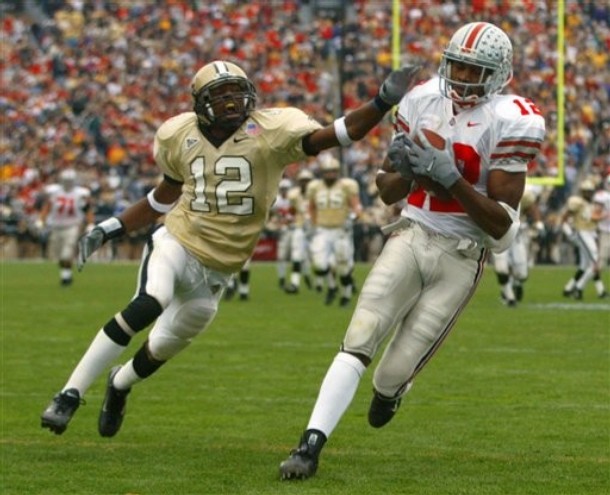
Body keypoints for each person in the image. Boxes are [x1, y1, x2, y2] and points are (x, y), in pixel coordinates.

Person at [40, 59, 421, 436]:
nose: (230, 102)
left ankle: (119, 384)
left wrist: (382, 101)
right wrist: (111, 227)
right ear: (200, 101)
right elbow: (162, 198)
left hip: (217, 273)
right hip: (178, 242)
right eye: (219, 94)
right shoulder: (178, 134)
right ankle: (68, 394)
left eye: (236, 92)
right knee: (150, 300)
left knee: (159, 349)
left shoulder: (271, 130)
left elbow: (338, 134)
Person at [279, 21, 546, 480]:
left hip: (462, 254)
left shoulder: (513, 117)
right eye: (456, 65)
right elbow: (386, 190)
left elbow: (501, 227)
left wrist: (452, 180)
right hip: (412, 232)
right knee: (359, 337)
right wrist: (407, 173)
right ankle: (309, 445)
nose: (461, 77)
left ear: (498, 74)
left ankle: (389, 393)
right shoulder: (422, 99)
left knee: (390, 374)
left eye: (473, 69)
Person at [307, 153, 362, 306]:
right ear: (322, 173)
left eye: (333, 171)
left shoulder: (346, 186)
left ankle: (345, 295)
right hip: (322, 230)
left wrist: (355, 215)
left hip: (340, 231)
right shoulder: (315, 187)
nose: (330, 174)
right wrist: (313, 224)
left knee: (343, 266)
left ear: (337, 172)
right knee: (320, 264)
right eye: (327, 171)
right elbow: (311, 208)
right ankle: (332, 287)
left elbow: (356, 205)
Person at [36, 168, 94, 286]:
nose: (68, 182)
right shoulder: (55, 192)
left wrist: (90, 223)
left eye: (70, 180)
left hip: (72, 226)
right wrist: (41, 220)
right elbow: (47, 207)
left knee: (66, 253)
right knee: (58, 255)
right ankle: (66, 274)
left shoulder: (80, 193)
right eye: (66, 180)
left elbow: (87, 209)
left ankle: (66, 278)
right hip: (55, 227)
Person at [491, 185, 545, 306]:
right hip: (498, 233)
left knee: (522, 274)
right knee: (501, 268)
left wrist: (539, 224)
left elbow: (532, 208)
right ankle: (509, 296)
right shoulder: (491, 190)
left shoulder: (523, 193)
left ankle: (517, 284)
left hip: (517, 234)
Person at [561, 178, 608, 299]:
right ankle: (579, 288)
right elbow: (565, 217)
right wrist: (569, 232)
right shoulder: (577, 202)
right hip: (582, 232)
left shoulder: (592, 203)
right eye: (586, 191)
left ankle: (569, 288)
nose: (588, 193)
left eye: (590, 191)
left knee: (585, 265)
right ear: (582, 191)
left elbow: (593, 219)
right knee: (595, 260)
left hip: (591, 233)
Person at [284, 168, 315, 294]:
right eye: (303, 181)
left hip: (315, 229)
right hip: (300, 227)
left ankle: (327, 283)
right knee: (296, 255)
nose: (305, 183)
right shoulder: (294, 195)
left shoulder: (316, 193)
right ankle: (294, 284)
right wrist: (289, 218)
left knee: (319, 258)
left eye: (307, 181)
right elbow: (291, 210)